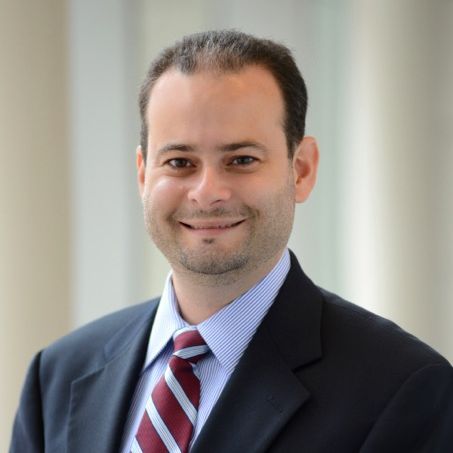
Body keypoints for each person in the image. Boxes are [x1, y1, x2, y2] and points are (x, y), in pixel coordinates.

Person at [10, 30, 453, 453]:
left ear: (301, 169)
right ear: (143, 174)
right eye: (179, 162)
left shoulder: (402, 389)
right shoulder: (57, 377)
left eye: (241, 159)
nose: (207, 192)